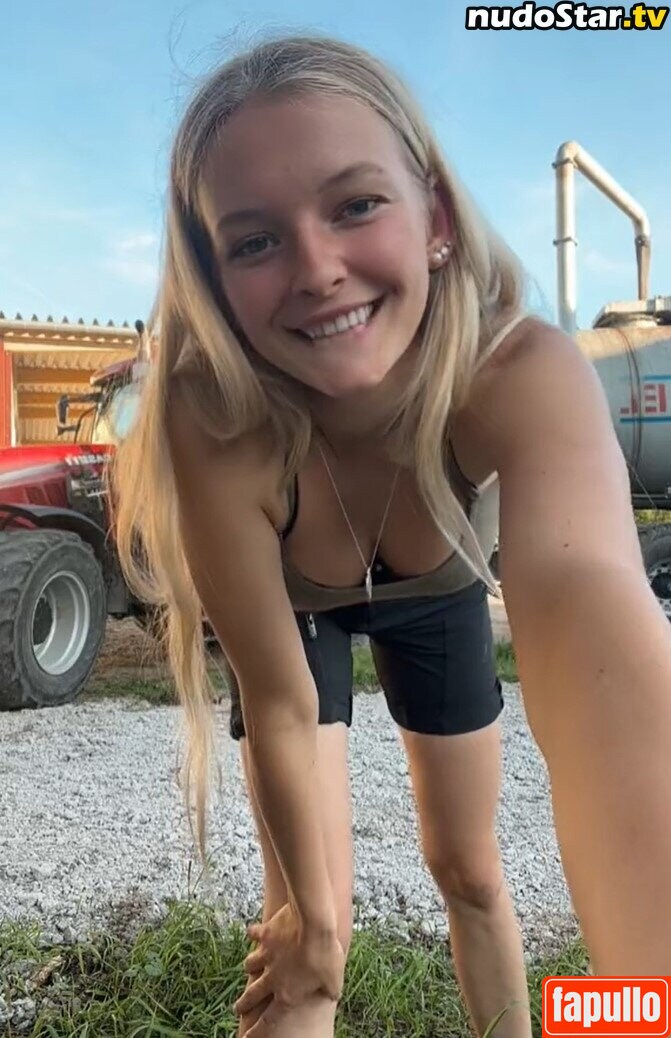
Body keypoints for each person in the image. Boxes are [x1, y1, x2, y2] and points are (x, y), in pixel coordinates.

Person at [111, 32, 671, 1038]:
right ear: (214, 278)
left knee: (470, 872)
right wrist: (316, 929)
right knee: (304, 942)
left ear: (436, 220)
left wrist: (644, 997)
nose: (317, 269)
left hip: (435, 592)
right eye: (254, 242)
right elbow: (281, 704)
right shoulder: (213, 414)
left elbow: (597, 642)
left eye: (355, 205)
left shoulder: (517, 371)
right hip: (296, 619)